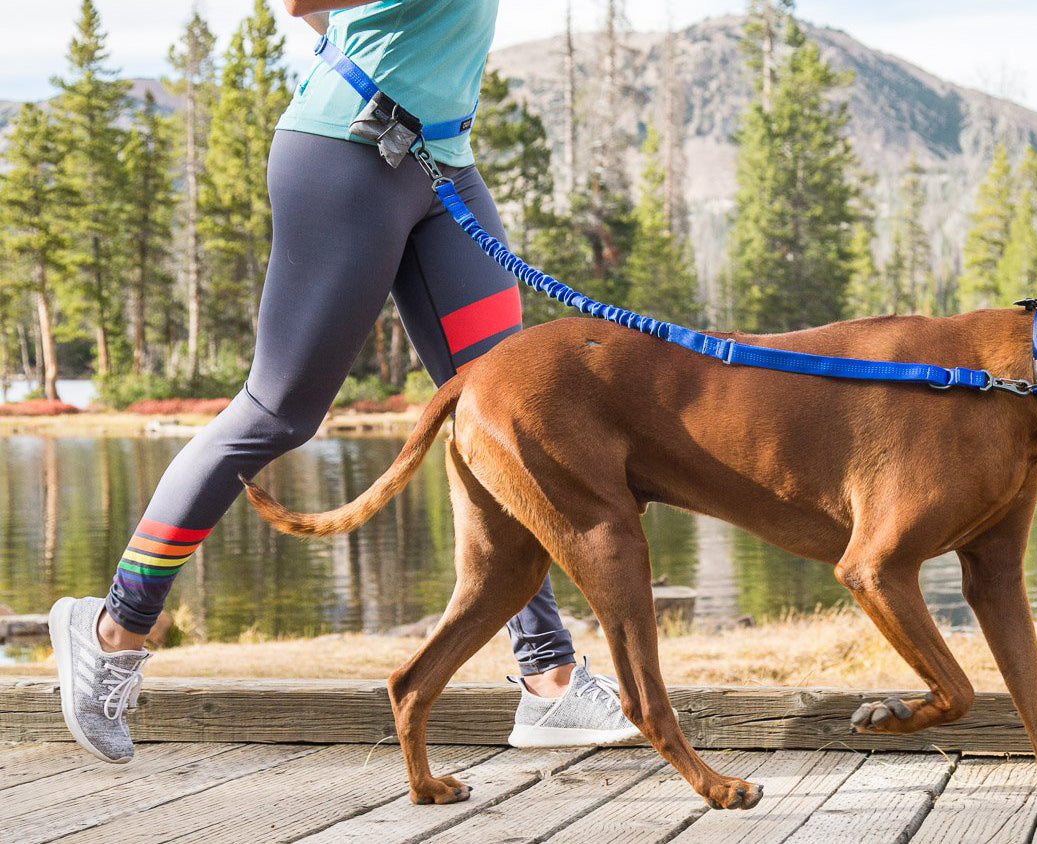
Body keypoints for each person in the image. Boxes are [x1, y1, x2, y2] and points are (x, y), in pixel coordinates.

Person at [48, 0, 637, 764]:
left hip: (440, 163)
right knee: (278, 412)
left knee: (511, 416)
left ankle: (548, 678)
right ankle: (112, 630)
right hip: (343, 155)